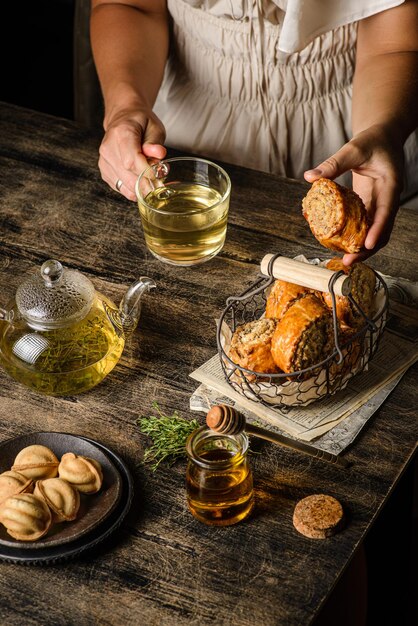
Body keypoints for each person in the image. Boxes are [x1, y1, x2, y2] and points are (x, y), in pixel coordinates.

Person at [89, 0, 418, 265]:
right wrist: (125, 107)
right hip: (188, 142)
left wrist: (382, 129)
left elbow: (393, 44)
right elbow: (130, 6)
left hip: (353, 138)